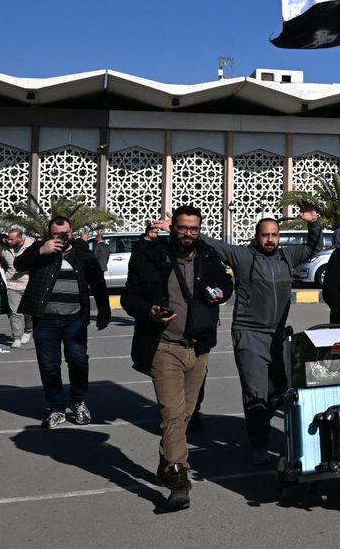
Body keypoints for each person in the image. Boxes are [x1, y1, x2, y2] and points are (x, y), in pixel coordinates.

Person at [192, 206, 322, 465]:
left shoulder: (287, 257)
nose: (270, 239)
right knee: (255, 392)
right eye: (265, 235)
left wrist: (314, 223)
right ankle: (259, 443)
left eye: (274, 235)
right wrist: (189, 230)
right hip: (249, 334)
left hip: (277, 336)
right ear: (257, 236)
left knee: (281, 390)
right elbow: (215, 245)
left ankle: (261, 424)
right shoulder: (243, 256)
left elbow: (312, 248)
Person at [123, 205, 232, 512]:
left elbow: (227, 283)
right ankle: (179, 479)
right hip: (164, 346)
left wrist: (221, 293)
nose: (188, 234)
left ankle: (165, 460)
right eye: (183, 228)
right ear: (173, 229)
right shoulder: (151, 255)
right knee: (172, 412)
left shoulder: (208, 256)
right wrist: (149, 311)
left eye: (193, 229)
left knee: (186, 412)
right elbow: (130, 297)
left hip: (198, 347)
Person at [14, 216, 112, 428]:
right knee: (49, 366)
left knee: (78, 361)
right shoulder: (42, 249)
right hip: (45, 319)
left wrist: (104, 312)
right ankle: (57, 407)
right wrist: (41, 251)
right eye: (57, 233)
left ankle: (77, 401)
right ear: (51, 233)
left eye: (65, 233)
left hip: (74, 319)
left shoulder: (82, 252)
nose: (62, 237)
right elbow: (18, 264)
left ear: (72, 231)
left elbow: (97, 282)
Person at [2, 229, 35, 347]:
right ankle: (16, 337)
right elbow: (2, 263)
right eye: (8, 238)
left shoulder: (31, 246)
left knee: (28, 312)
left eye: (12, 239)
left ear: (20, 238)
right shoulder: (5, 249)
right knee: (14, 312)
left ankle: (28, 330)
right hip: (11, 284)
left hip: (28, 283)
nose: (8, 241)